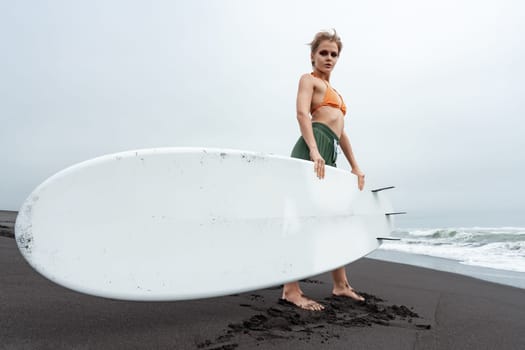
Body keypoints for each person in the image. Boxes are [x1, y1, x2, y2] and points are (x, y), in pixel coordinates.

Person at [281, 29, 366, 311]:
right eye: (324, 53)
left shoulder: (337, 94)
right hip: (312, 149)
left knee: (335, 219)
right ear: (313, 56)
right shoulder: (309, 80)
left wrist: (355, 166)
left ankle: (340, 285)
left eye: (334, 54)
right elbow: (302, 114)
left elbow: (341, 133)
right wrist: (315, 150)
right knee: (301, 218)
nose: (329, 58)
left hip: (329, 150)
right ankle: (291, 290)